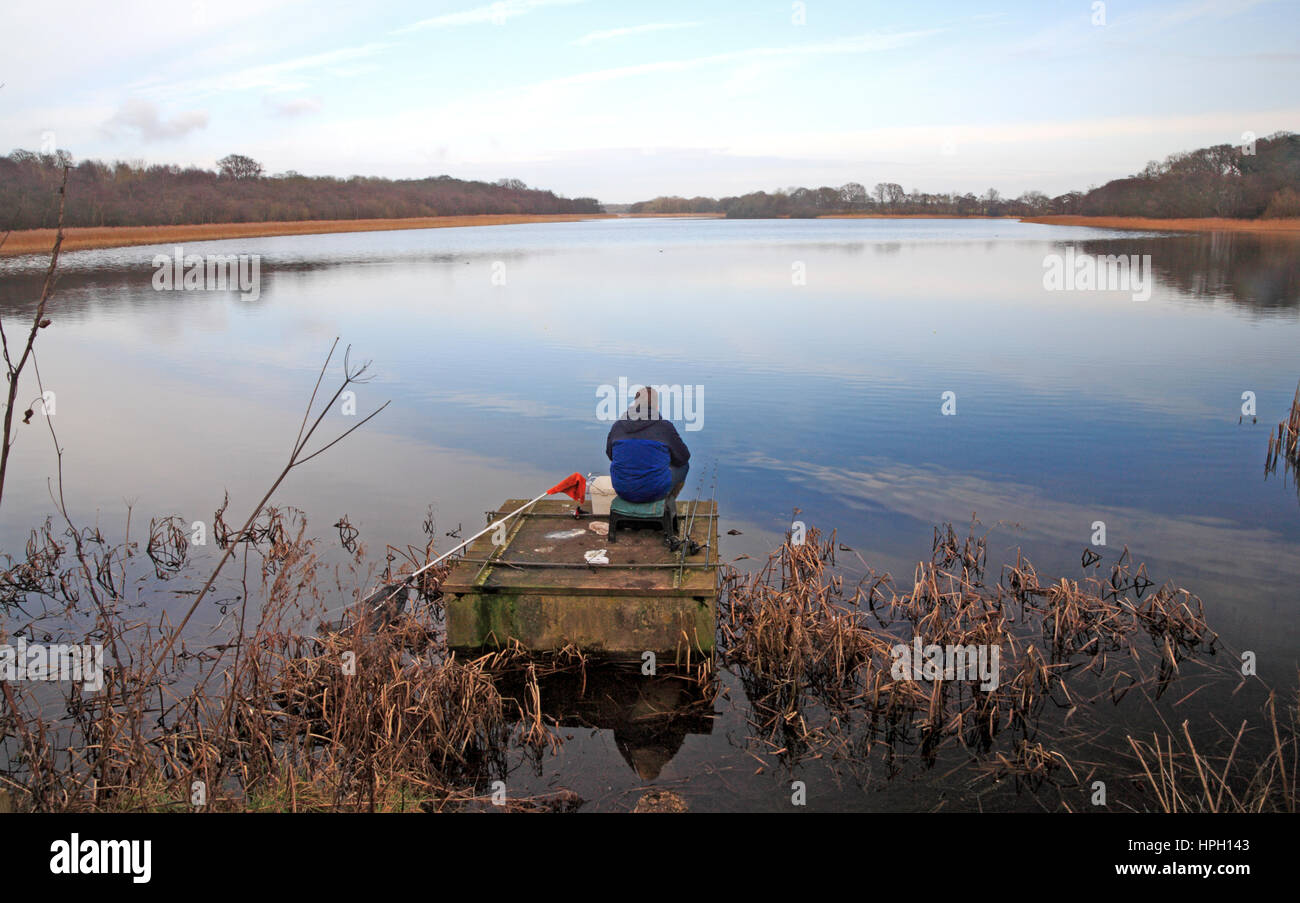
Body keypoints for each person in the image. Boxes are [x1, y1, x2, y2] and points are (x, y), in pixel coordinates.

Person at [605, 386, 690, 504]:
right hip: (655, 492)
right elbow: (683, 457)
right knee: (684, 466)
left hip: (622, 490)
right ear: (656, 405)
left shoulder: (617, 426)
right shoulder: (665, 427)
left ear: (635, 404)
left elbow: (610, 455)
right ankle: (668, 503)